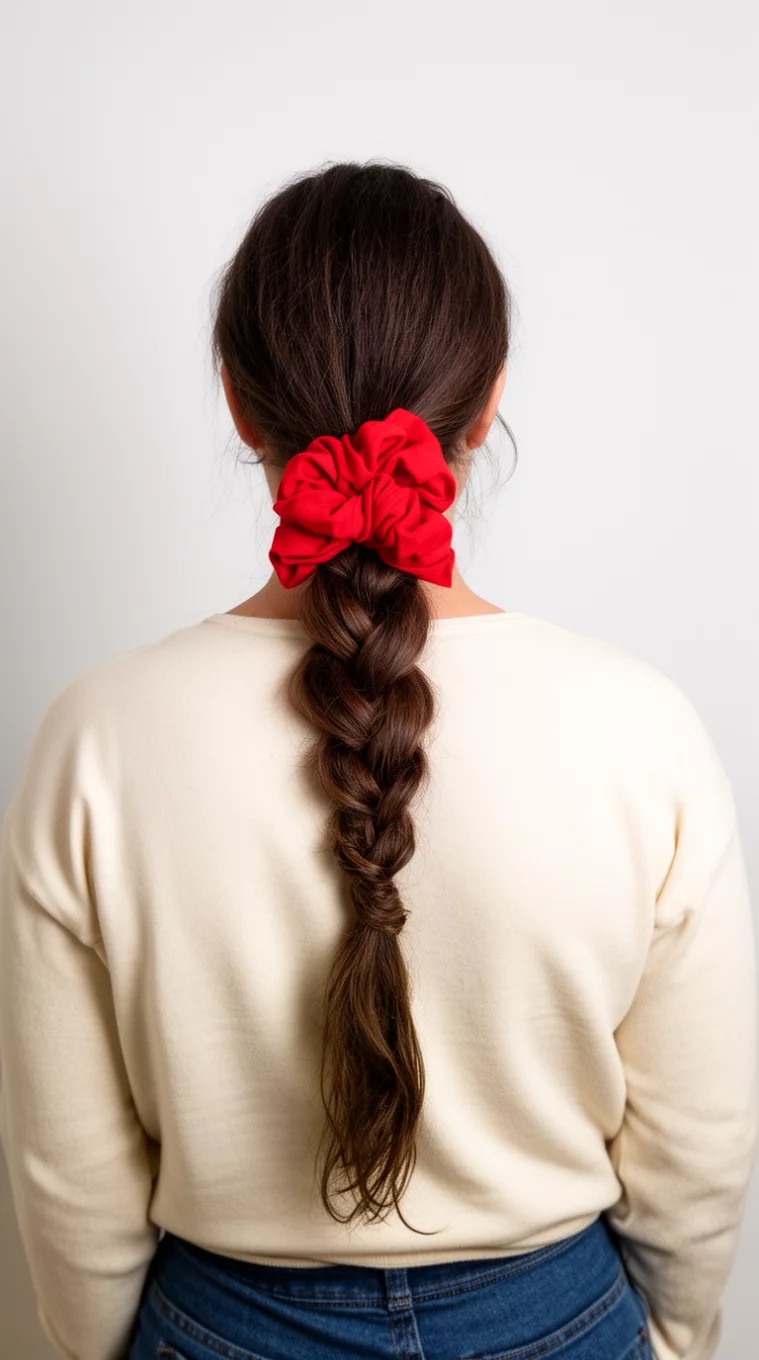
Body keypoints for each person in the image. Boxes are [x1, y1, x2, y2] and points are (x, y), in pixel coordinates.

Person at [0, 161, 756, 1360]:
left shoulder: (94, 736)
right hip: (556, 1320)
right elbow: (699, 1144)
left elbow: (69, 1176)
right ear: (490, 397)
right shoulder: (641, 727)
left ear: (240, 405)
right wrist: (672, 1340)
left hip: (222, 1325)